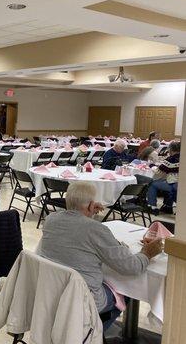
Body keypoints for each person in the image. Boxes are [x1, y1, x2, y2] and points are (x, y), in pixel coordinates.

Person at [39, 181, 163, 330]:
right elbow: (132, 267)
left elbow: (76, 234)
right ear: (92, 205)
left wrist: (87, 213)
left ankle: (76, 331)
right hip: (83, 298)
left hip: (51, 290)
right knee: (127, 288)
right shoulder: (96, 230)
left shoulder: (51, 219)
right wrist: (147, 253)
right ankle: (90, 333)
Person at [147, 141, 180, 214]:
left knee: (153, 184)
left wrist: (151, 165)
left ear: (170, 149)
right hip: (180, 184)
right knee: (164, 181)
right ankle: (168, 206)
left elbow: (158, 171)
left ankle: (152, 207)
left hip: (175, 185)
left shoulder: (171, 159)